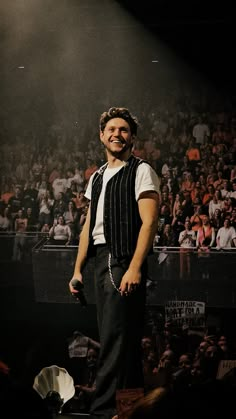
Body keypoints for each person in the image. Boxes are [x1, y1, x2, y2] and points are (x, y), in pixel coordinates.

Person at [69, 107, 160, 419]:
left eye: (123, 130)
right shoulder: (95, 177)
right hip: (100, 260)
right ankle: (129, 408)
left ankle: (104, 409)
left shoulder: (141, 170)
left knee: (116, 339)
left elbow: (149, 223)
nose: (117, 134)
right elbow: (88, 226)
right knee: (122, 339)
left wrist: (134, 267)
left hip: (122, 258)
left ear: (131, 137)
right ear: (101, 136)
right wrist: (78, 270)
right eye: (111, 129)